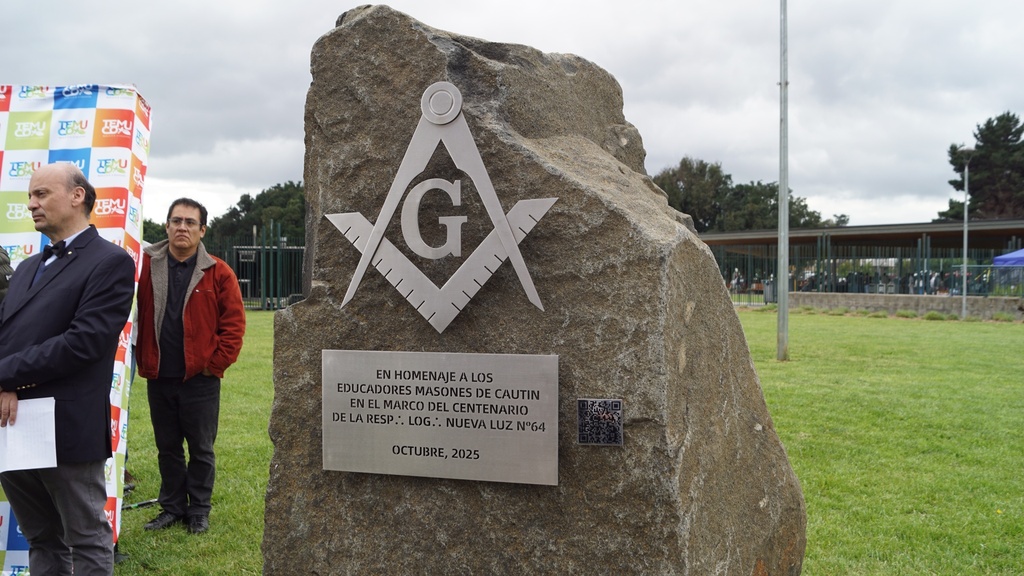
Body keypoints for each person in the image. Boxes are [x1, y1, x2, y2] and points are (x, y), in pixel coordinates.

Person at [0, 162, 136, 575]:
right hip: (12, 425)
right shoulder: (26, 268)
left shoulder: (110, 262)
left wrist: (4, 375)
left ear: (78, 196)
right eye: (29, 196)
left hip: (66, 427)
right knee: (41, 536)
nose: (32, 204)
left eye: (42, 194)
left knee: (87, 538)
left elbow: (83, 343)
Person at [136, 198, 245, 535]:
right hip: (159, 375)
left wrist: (214, 366)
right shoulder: (144, 266)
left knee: (201, 448)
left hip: (200, 379)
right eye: (176, 221)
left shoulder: (218, 271)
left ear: (202, 230)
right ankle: (171, 507)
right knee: (167, 448)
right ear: (166, 226)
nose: (182, 227)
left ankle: (198, 509)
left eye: (190, 222)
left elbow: (234, 326)